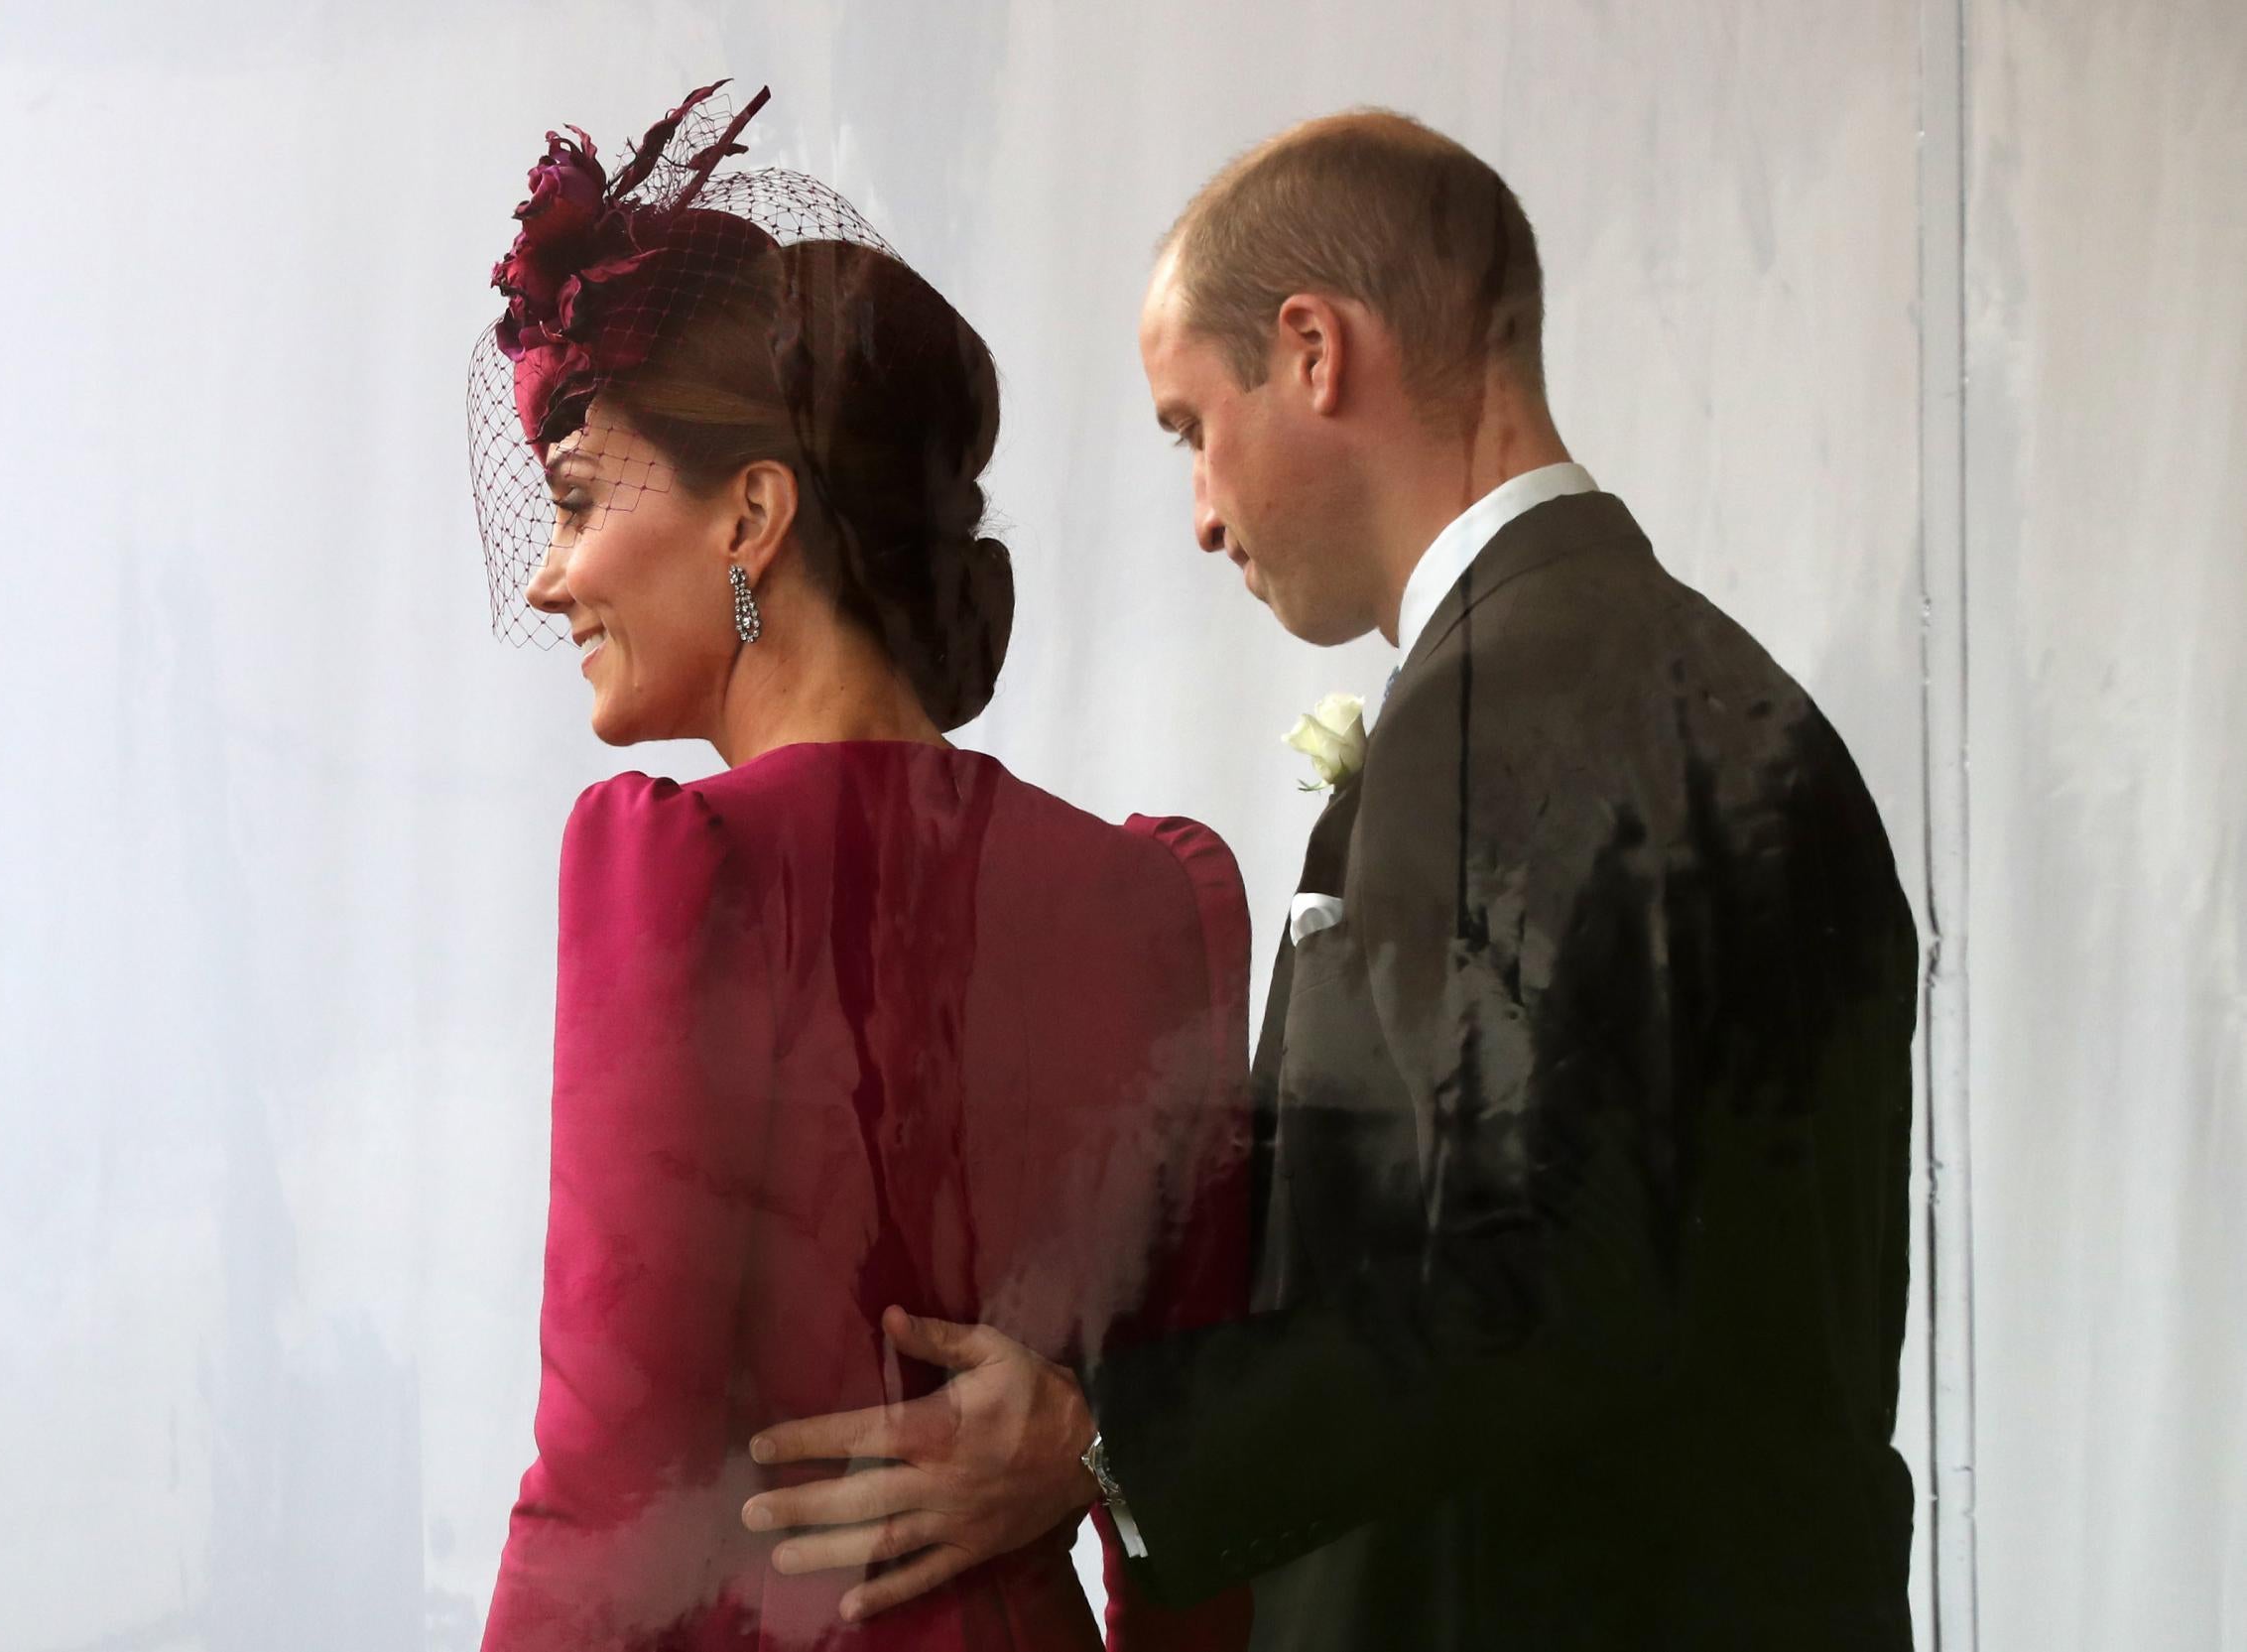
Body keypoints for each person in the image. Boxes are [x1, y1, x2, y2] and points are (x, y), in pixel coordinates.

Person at [745, 109, 1921, 1652]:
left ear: (1313, 350)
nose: (1204, 513)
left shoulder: (1503, 710)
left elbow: (1540, 1279)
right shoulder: (1744, 704)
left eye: (1190, 427)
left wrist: (1099, 1438)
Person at [466, 82, 1257, 1651]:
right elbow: (1197, 1514)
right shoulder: (1167, 899)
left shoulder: (675, 874)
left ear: (752, 513)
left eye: (573, 503)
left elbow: (614, 1487)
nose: (550, 579)